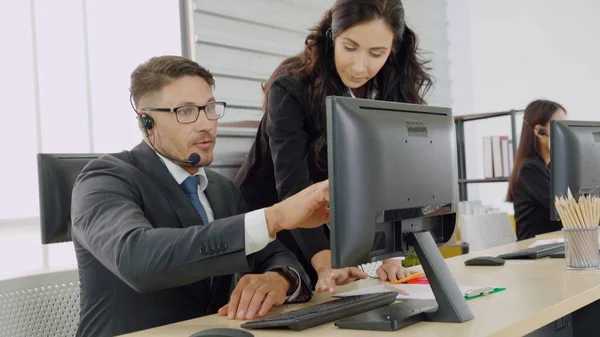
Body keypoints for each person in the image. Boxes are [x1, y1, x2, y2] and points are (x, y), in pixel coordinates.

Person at [71, 55, 332, 337]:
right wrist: (275, 216)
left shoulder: (220, 188)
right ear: (145, 121)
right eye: (185, 112)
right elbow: (135, 258)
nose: (206, 123)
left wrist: (279, 278)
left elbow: (276, 255)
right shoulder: (103, 179)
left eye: (209, 108)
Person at [235, 0, 432, 292]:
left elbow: (395, 175)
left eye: (376, 53)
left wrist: (392, 253)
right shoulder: (292, 85)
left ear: (393, 50)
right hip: (274, 221)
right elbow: (292, 188)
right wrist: (326, 264)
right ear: (331, 37)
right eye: (349, 47)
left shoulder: (392, 88)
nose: (359, 66)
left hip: (325, 217)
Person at [506, 99, 567, 240]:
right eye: (559, 125)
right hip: (535, 249)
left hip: (555, 243)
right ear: (540, 131)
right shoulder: (529, 169)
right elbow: (560, 208)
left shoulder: (551, 167)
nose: (564, 131)